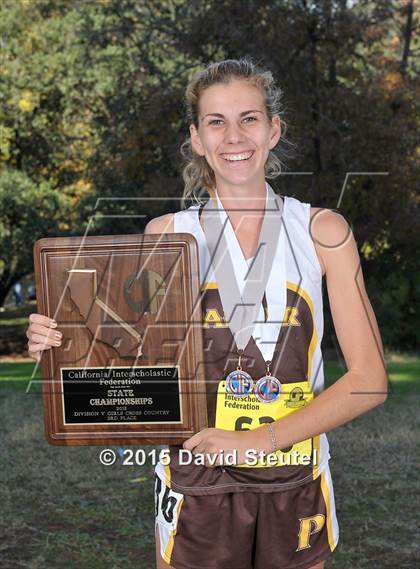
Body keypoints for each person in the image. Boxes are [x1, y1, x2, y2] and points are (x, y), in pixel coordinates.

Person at [26, 58, 388, 569]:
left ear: (274, 129)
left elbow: (370, 380)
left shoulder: (323, 231)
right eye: (216, 122)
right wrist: (59, 343)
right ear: (197, 138)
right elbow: (128, 363)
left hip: (293, 475)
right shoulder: (166, 236)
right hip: (194, 479)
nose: (234, 136)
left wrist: (254, 442)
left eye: (249, 118)